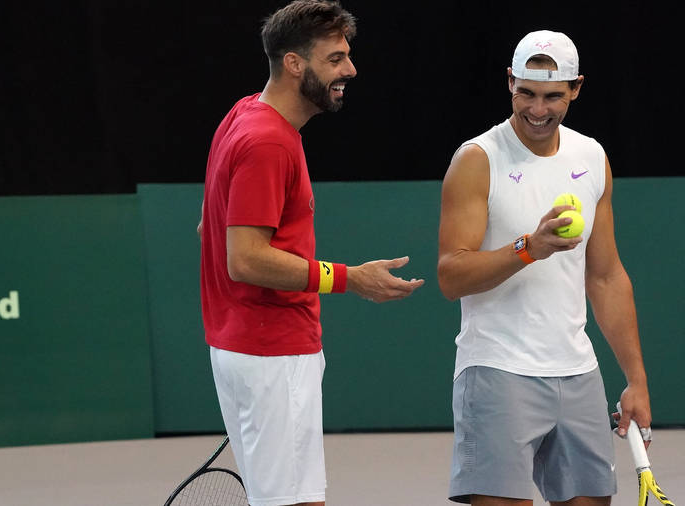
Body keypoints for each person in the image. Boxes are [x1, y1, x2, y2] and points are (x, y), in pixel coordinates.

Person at [198, 2, 424, 505]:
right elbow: (247, 259)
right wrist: (350, 278)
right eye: (336, 58)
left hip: (241, 346)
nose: (350, 70)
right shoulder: (267, 142)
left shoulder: (243, 114)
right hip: (272, 351)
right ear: (295, 64)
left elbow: (207, 228)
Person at [437, 30, 653, 506]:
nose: (538, 109)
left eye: (553, 95)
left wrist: (636, 381)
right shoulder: (477, 160)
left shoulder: (592, 156)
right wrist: (529, 247)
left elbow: (606, 275)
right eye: (527, 93)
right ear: (509, 82)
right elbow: (451, 276)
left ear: (576, 88)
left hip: (577, 372)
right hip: (496, 370)